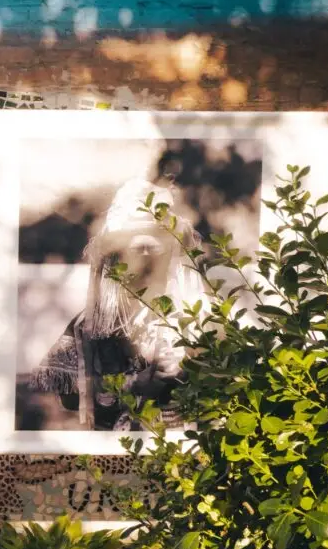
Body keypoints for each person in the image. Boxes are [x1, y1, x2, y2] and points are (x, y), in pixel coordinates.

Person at [22, 178, 205, 431]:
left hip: (176, 459)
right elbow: (67, 396)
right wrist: (135, 384)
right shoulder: (88, 326)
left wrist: (186, 369)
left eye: (154, 250)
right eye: (134, 250)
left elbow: (226, 391)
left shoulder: (197, 321)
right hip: (110, 455)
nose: (145, 261)